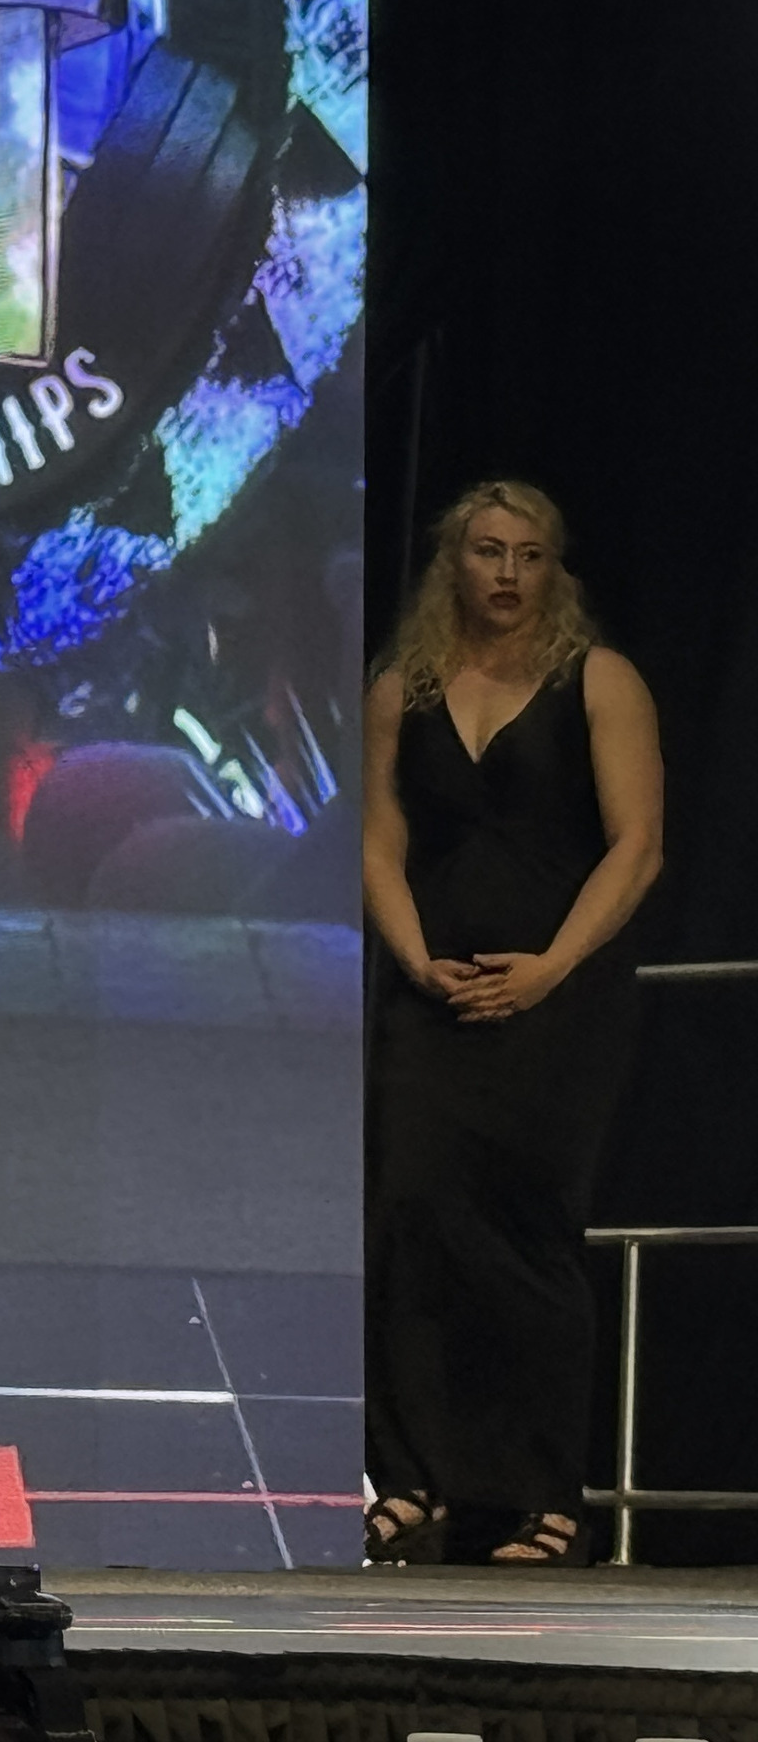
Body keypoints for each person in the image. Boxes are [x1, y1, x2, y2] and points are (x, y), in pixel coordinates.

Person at [361, 479, 660, 1567]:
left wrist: (548, 971)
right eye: (487, 552)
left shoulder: (599, 681)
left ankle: (542, 1497)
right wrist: (413, 959)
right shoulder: (403, 687)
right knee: (410, 1215)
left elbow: (637, 846)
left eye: (528, 556)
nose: (506, 574)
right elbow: (378, 840)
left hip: (555, 1000)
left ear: (553, 569)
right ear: (455, 561)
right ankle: (416, 1478)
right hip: (434, 993)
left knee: (528, 1234)